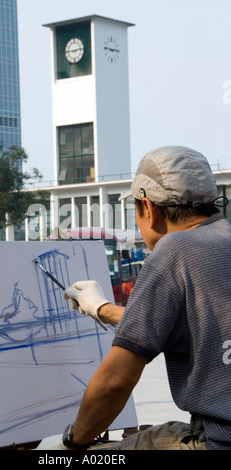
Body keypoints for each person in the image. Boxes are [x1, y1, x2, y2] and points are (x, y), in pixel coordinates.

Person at [60, 145, 231, 451]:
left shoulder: (174, 250)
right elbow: (200, 327)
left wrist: (72, 443)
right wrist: (104, 309)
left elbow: (116, 381)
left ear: (149, 210)